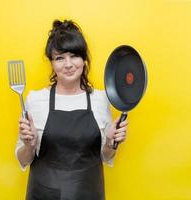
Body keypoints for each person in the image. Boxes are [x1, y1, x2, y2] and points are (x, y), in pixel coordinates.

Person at [15, 19, 128, 200]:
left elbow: (106, 157)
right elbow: (23, 159)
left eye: (74, 56)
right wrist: (29, 144)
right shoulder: (35, 100)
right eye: (60, 58)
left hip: (89, 194)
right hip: (44, 194)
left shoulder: (100, 100)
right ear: (52, 63)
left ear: (84, 59)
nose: (68, 65)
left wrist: (110, 142)